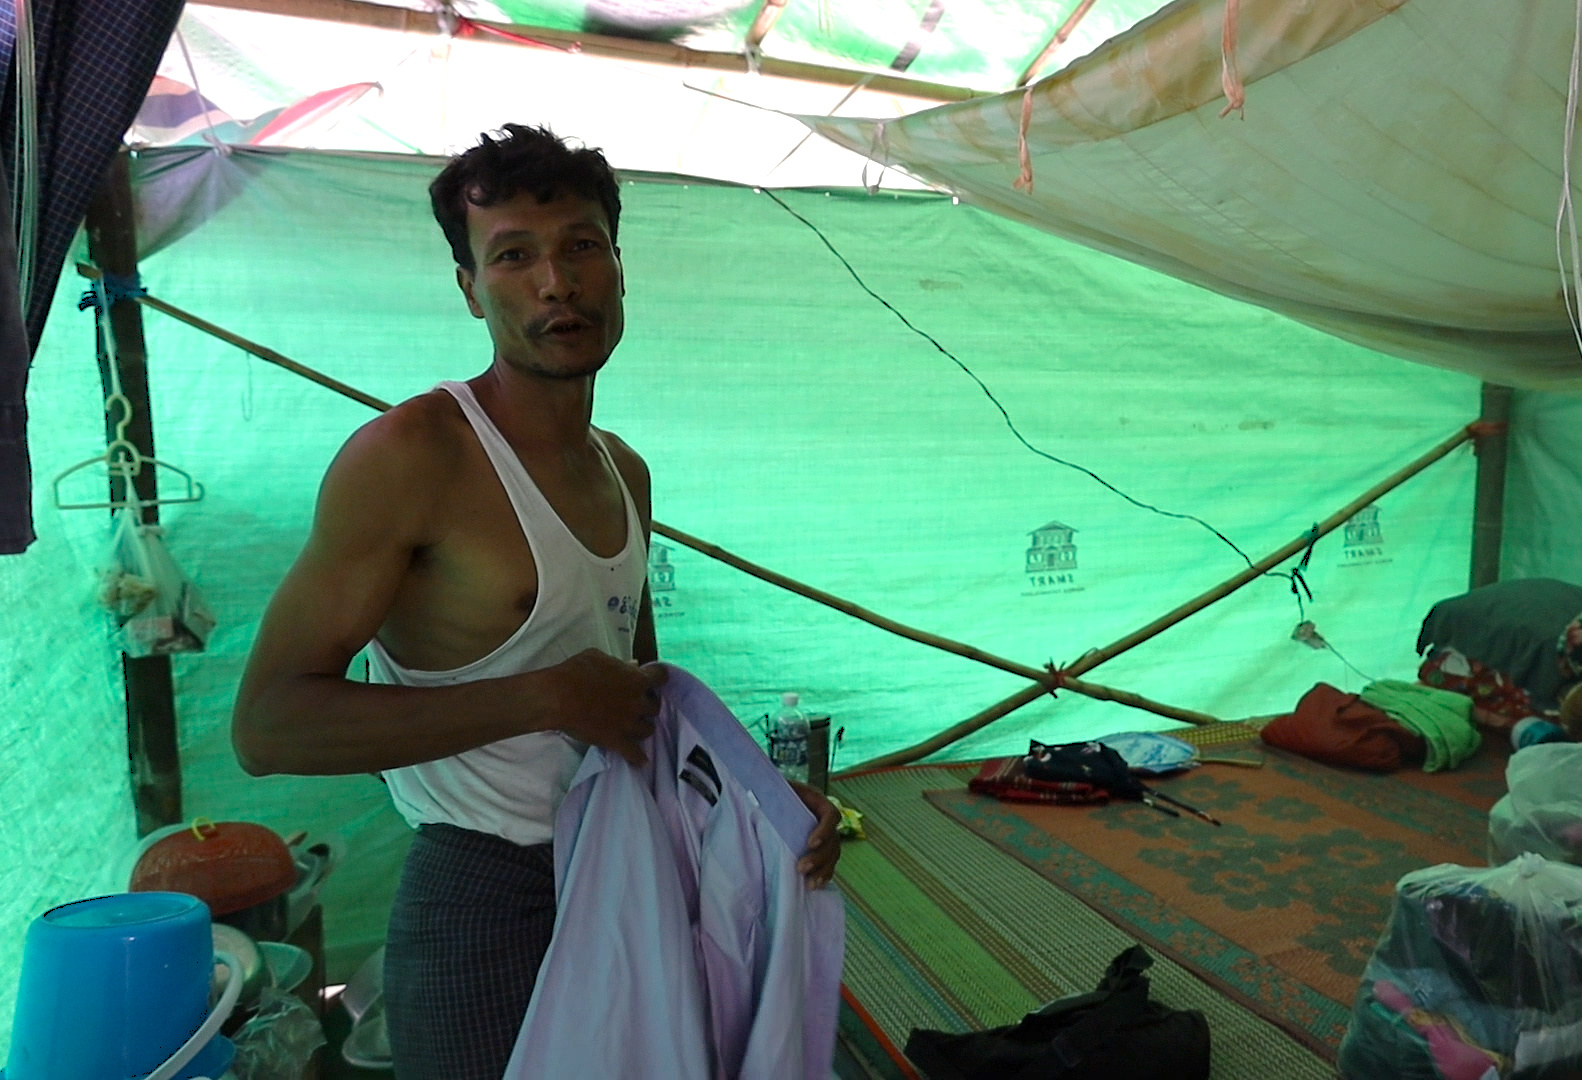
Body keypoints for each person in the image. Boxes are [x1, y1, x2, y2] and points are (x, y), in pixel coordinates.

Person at [231, 123, 841, 1079]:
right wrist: (544, 698)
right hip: (483, 896)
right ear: (471, 290)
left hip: (627, 867)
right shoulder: (412, 456)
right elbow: (267, 729)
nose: (557, 283)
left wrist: (755, 808)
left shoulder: (624, 473)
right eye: (513, 256)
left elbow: (641, 710)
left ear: (620, 268)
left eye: (581, 247)